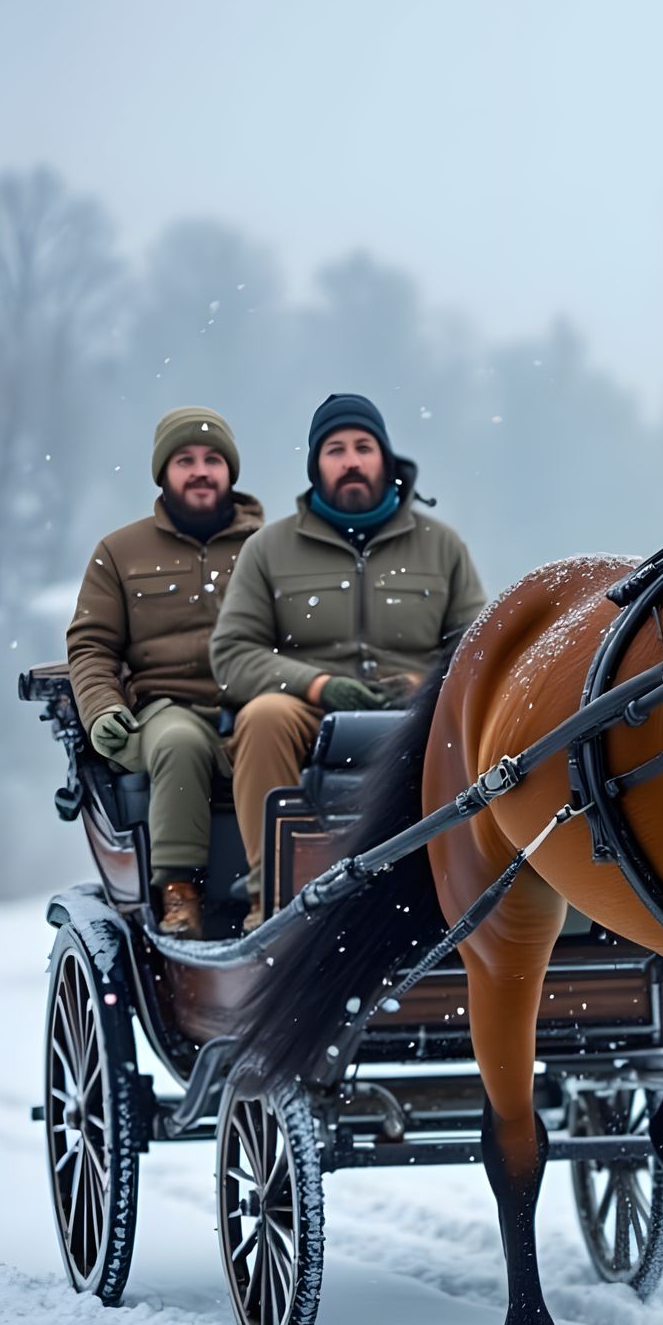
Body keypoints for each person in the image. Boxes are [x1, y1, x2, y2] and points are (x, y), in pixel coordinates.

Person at [211, 393, 487, 930]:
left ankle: (460, 892)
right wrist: (315, 686)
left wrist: (424, 684)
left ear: (385, 458)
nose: (351, 460)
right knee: (262, 718)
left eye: (364, 446)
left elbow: (476, 650)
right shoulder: (268, 549)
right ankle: (273, 903)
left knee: (482, 728)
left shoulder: (441, 546)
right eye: (335, 449)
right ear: (316, 465)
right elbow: (232, 653)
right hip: (307, 714)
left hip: (419, 719)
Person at [67, 407, 264, 937]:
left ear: (230, 470)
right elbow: (91, 647)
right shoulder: (119, 552)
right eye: (185, 460)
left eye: (212, 459)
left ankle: (278, 893)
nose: (200, 470)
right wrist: (102, 708)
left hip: (258, 704)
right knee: (179, 743)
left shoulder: (273, 545)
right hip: (165, 710)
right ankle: (181, 893)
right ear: (163, 472)